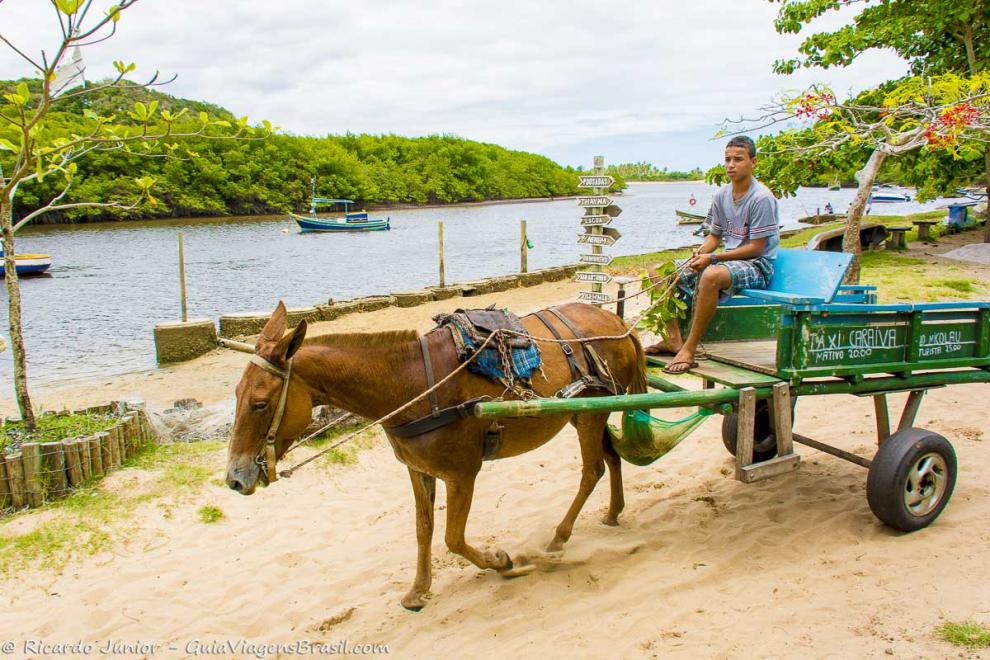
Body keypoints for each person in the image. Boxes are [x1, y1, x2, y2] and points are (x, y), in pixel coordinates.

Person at [645, 135, 779, 374]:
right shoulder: (721, 195)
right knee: (659, 271)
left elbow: (757, 248)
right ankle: (673, 339)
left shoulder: (761, 198)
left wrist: (713, 258)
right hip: (728, 261)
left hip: (757, 265)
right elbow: (714, 237)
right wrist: (700, 253)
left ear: (753, 162)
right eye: (727, 159)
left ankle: (690, 347)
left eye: (738, 159)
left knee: (710, 276)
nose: (731, 165)